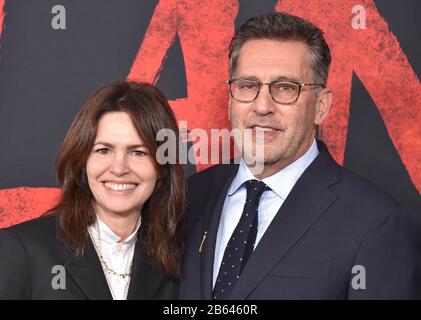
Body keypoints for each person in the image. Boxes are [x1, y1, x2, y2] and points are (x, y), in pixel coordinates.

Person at [179, 12, 421, 299]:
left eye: (285, 88)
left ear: (321, 105)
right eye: (248, 86)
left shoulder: (376, 223)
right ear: (231, 99)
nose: (262, 106)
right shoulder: (191, 197)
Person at [0, 81, 185, 299]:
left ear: (162, 167)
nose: (119, 168)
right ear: (82, 159)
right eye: (103, 150)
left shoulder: (182, 258)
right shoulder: (23, 249)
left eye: (138, 152)